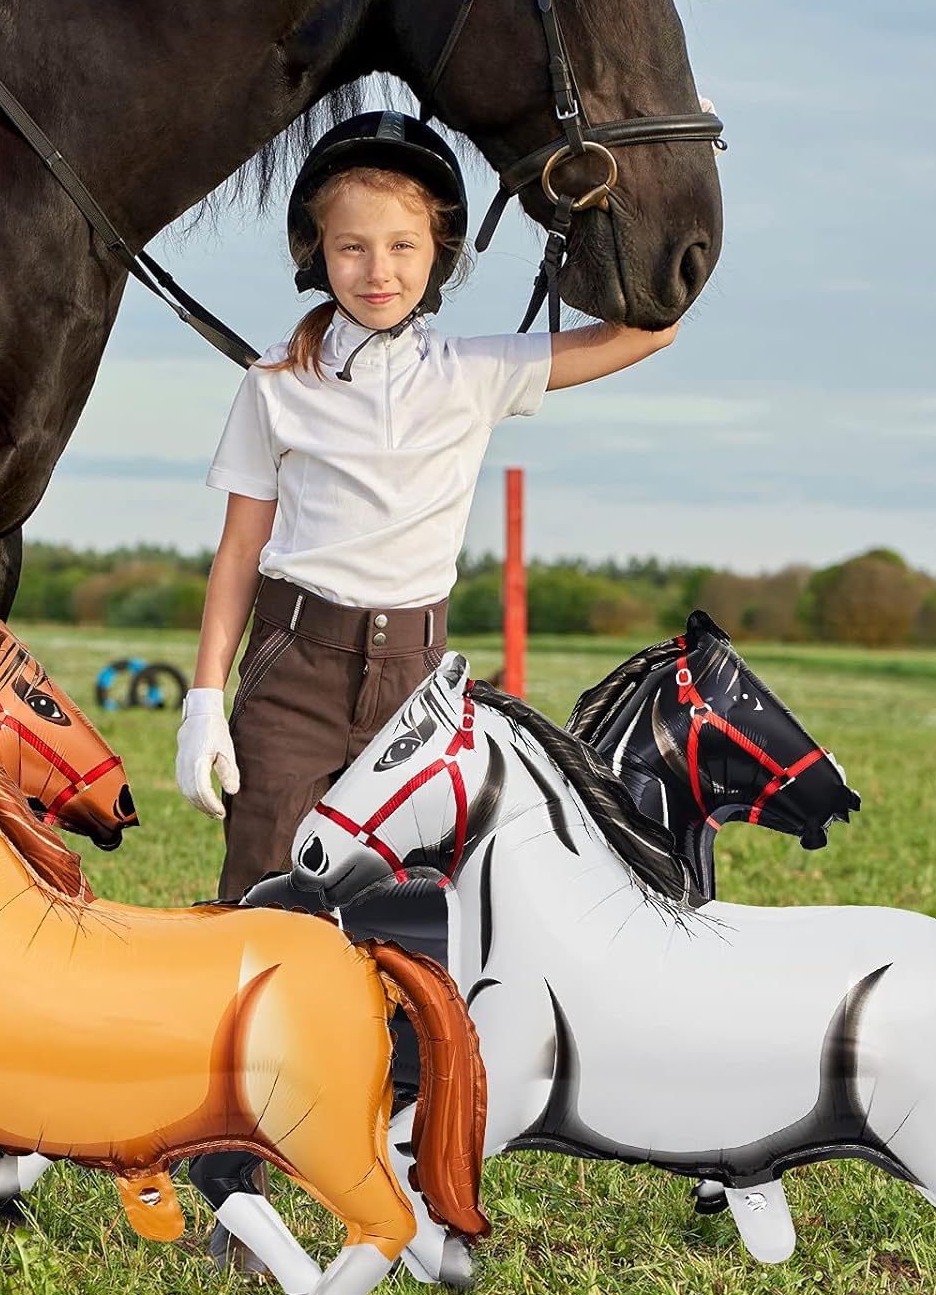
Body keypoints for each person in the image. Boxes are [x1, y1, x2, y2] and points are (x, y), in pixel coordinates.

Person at [176, 110, 679, 896]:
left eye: (403, 245)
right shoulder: (273, 383)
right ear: (319, 255)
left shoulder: (475, 371)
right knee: (266, 903)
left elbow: (650, 330)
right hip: (293, 673)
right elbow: (240, 550)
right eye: (352, 246)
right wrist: (205, 699)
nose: (378, 269)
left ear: (439, 253)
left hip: (416, 686)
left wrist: (652, 170)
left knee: (409, 916)